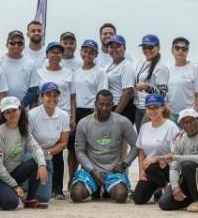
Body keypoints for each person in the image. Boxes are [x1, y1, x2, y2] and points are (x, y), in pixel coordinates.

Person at [69, 89, 137, 203]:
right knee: (76, 194)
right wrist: (93, 171)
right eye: (101, 104)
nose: (104, 108)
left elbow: (136, 146)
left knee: (121, 196)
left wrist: (124, 164)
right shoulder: (84, 123)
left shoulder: (123, 122)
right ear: (95, 103)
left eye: (108, 104)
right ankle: (96, 187)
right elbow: (79, 152)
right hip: (91, 170)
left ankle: (106, 188)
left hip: (112, 171)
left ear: (112, 104)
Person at [0, 96, 48, 209]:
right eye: (7, 112)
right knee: (11, 203)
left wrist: (42, 165)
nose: (12, 114)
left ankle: (30, 199)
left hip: (14, 173)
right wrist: (14, 185)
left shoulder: (23, 129)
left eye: (14, 110)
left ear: (20, 110)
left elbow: (35, 148)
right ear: (3, 115)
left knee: (35, 162)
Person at [160, 108, 198, 212]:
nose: (189, 124)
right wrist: (175, 187)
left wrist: (175, 157)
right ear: (182, 124)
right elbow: (174, 167)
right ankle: (191, 198)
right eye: (186, 122)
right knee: (164, 203)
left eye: (192, 121)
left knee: (187, 165)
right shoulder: (180, 139)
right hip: (188, 178)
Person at [37, 44, 75, 197]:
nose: (56, 55)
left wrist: (73, 116)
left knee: (59, 151)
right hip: (42, 113)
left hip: (62, 114)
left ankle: (58, 189)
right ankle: (41, 184)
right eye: (52, 52)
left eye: (59, 52)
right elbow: (36, 95)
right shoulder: (39, 72)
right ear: (47, 54)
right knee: (41, 146)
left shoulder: (68, 72)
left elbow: (72, 96)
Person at [68, 39, 107, 179]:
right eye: (85, 51)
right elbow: (73, 96)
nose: (88, 54)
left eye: (91, 52)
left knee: (91, 149)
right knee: (73, 149)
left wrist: (97, 116)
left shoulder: (100, 72)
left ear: (96, 54)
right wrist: (72, 117)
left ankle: (93, 179)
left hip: (92, 112)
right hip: (78, 112)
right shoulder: (76, 72)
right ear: (81, 52)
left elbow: (102, 97)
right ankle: (72, 179)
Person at [131, 93, 179, 205]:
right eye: (149, 108)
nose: (152, 111)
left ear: (162, 108)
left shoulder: (171, 126)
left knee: (151, 167)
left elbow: (176, 153)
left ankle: (168, 187)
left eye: (156, 107)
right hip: (150, 169)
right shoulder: (144, 127)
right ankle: (158, 186)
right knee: (138, 199)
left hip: (169, 168)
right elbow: (141, 151)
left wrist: (157, 159)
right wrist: (141, 172)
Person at [28, 82, 71, 202]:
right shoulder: (32, 115)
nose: (52, 98)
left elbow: (63, 143)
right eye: (48, 95)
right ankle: (27, 185)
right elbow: (26, 140)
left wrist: (47, 152)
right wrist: (39, 152)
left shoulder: (64, 115)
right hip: (33, 151)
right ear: (41, 97)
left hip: (51, 151)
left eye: (55, 95)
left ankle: (58, 189)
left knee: (58, 156)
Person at [133, 34, 170, 128]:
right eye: (144, 47)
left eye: (150, 47)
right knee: (140, 138)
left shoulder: (161, 68)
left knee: (147, 138)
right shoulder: (140, 63)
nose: (147, 50)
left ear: (158, 48)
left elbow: (162, 94)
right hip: (138, 107)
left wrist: (147, 87)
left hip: (151, 109)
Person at [0, 30, 40, 109]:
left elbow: (33, 90)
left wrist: (20, 107)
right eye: (12, 43)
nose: (16, 46)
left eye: (20, 43)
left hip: (22, 109)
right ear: (6, 45)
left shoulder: (30, 63)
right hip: (1, 109)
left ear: (23, 46)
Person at [165, 37, 198, 121]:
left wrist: (195, 113)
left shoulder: (194, 68)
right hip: (172, 115)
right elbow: (164, 93)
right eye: (177, 48)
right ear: (172, 51)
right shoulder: (168, 70)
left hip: (189, 115)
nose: (180, 51)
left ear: (187, 51)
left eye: (184, 49)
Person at [105, 34, 137, 126]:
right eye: (111, 46)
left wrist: (115, 114)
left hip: (123, 109)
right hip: (111, 107)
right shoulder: (108, 65)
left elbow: (128, 92)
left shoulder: (127, 66)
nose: (114, 49)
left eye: (118, 46)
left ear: (124, 47)